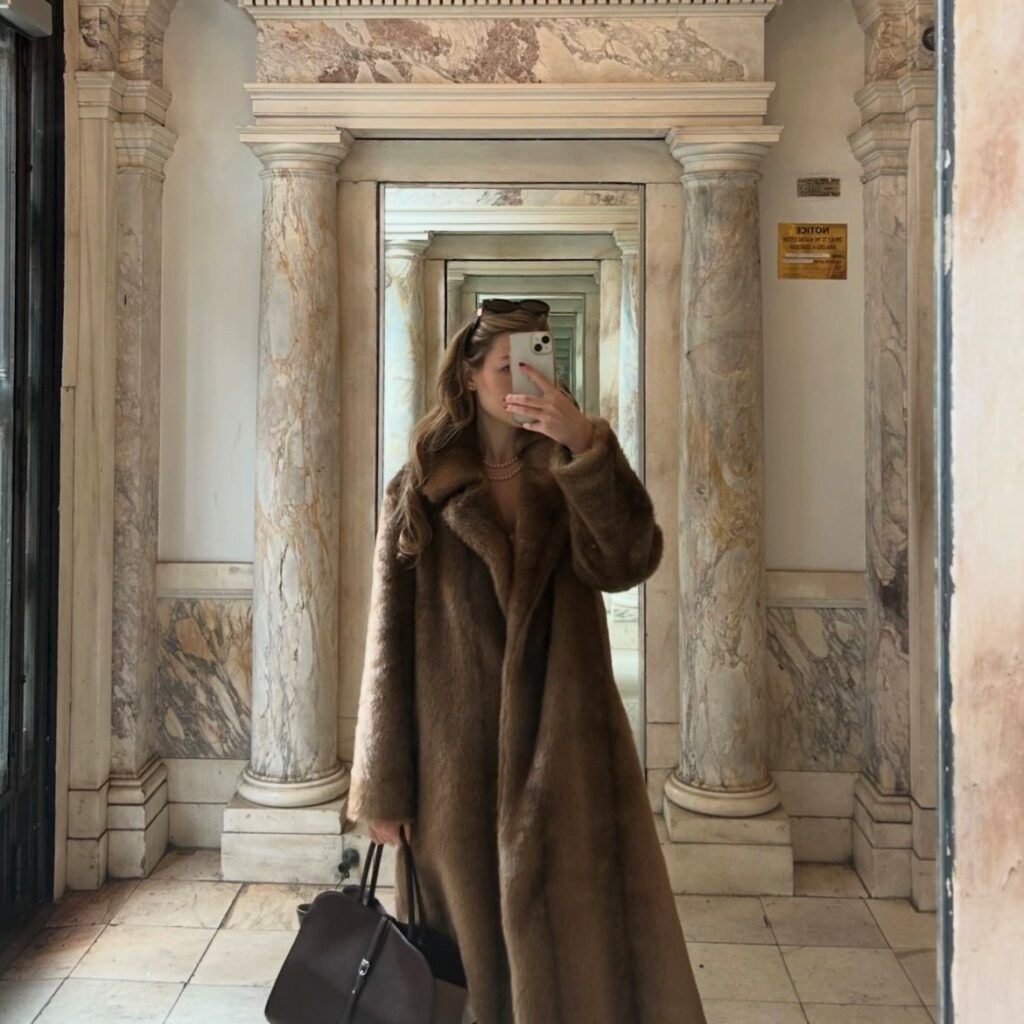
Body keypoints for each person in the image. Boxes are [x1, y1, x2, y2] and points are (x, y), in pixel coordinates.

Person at [348, 298, 706, 1024]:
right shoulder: (418, 486)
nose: (520, 378)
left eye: (534, 361)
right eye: (506, 364)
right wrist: (383, 787)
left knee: (579, 955)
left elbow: (629, 559)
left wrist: (585, 444)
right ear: (471, 375)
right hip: (456, 770)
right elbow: (386, 645)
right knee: (464, 971)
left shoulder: (570, 471)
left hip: (567, 752)